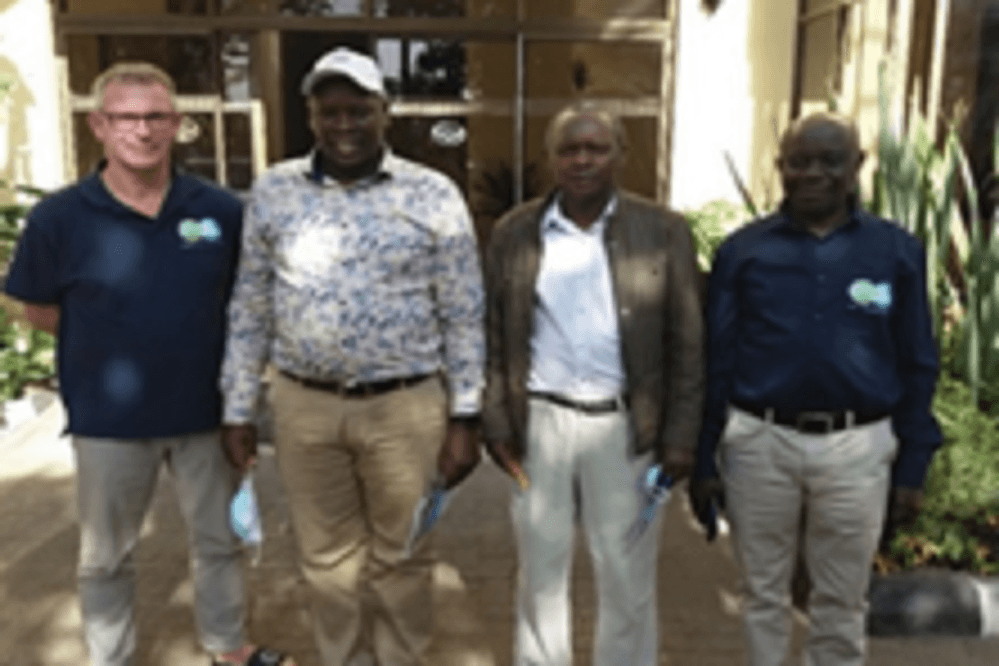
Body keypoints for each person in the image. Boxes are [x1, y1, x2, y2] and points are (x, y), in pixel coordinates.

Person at [3, 62, 293, 666]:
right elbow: (37, 308)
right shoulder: (59, 217)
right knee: (105, 556)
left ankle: (226, 646)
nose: (143, 130)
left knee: (219, 542)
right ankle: (110, 656)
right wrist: (117, 340)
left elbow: (247, 302)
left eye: (156, 116)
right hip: (109, 422)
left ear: (177, 123)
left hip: (207, 413)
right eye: (127, 117)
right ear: (99, 126)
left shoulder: (219, 209)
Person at [219, 48, 485, 666]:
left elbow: (464, 312)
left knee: (404, 554)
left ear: (384, 112)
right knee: (325, 559)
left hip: (406, 407)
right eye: (330, 111)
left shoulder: (433, 194)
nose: (344, 125)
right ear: (311, 115)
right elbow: (251, 305)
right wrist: (237, 409)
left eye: (359, 110)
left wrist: (466, 415)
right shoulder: (274, 191)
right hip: (303, 405)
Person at [690, 112, 941, 666]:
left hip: (858, 446)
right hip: (760, 441)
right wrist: (705, 456)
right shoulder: (743, 252)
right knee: (762, 593)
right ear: (780, 167)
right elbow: (718, 359)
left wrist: (913, 465)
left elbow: (918, 361)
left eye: (830, 161)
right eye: (798, 162)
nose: (813, 174)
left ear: (857, 166)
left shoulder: (896, 252)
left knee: (842, 600)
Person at [481, 102, 705, 666]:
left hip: (627, 428)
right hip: (541, 425)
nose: (582, 160)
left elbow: (688, 340)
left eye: (595, 149)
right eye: (569, 149)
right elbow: (492, 333)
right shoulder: (514, 232)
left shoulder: (663, 231)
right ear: (551, 158)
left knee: (627, 576)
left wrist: (681, 434)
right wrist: (497, 421)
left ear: (620, 156)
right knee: (539, 574)